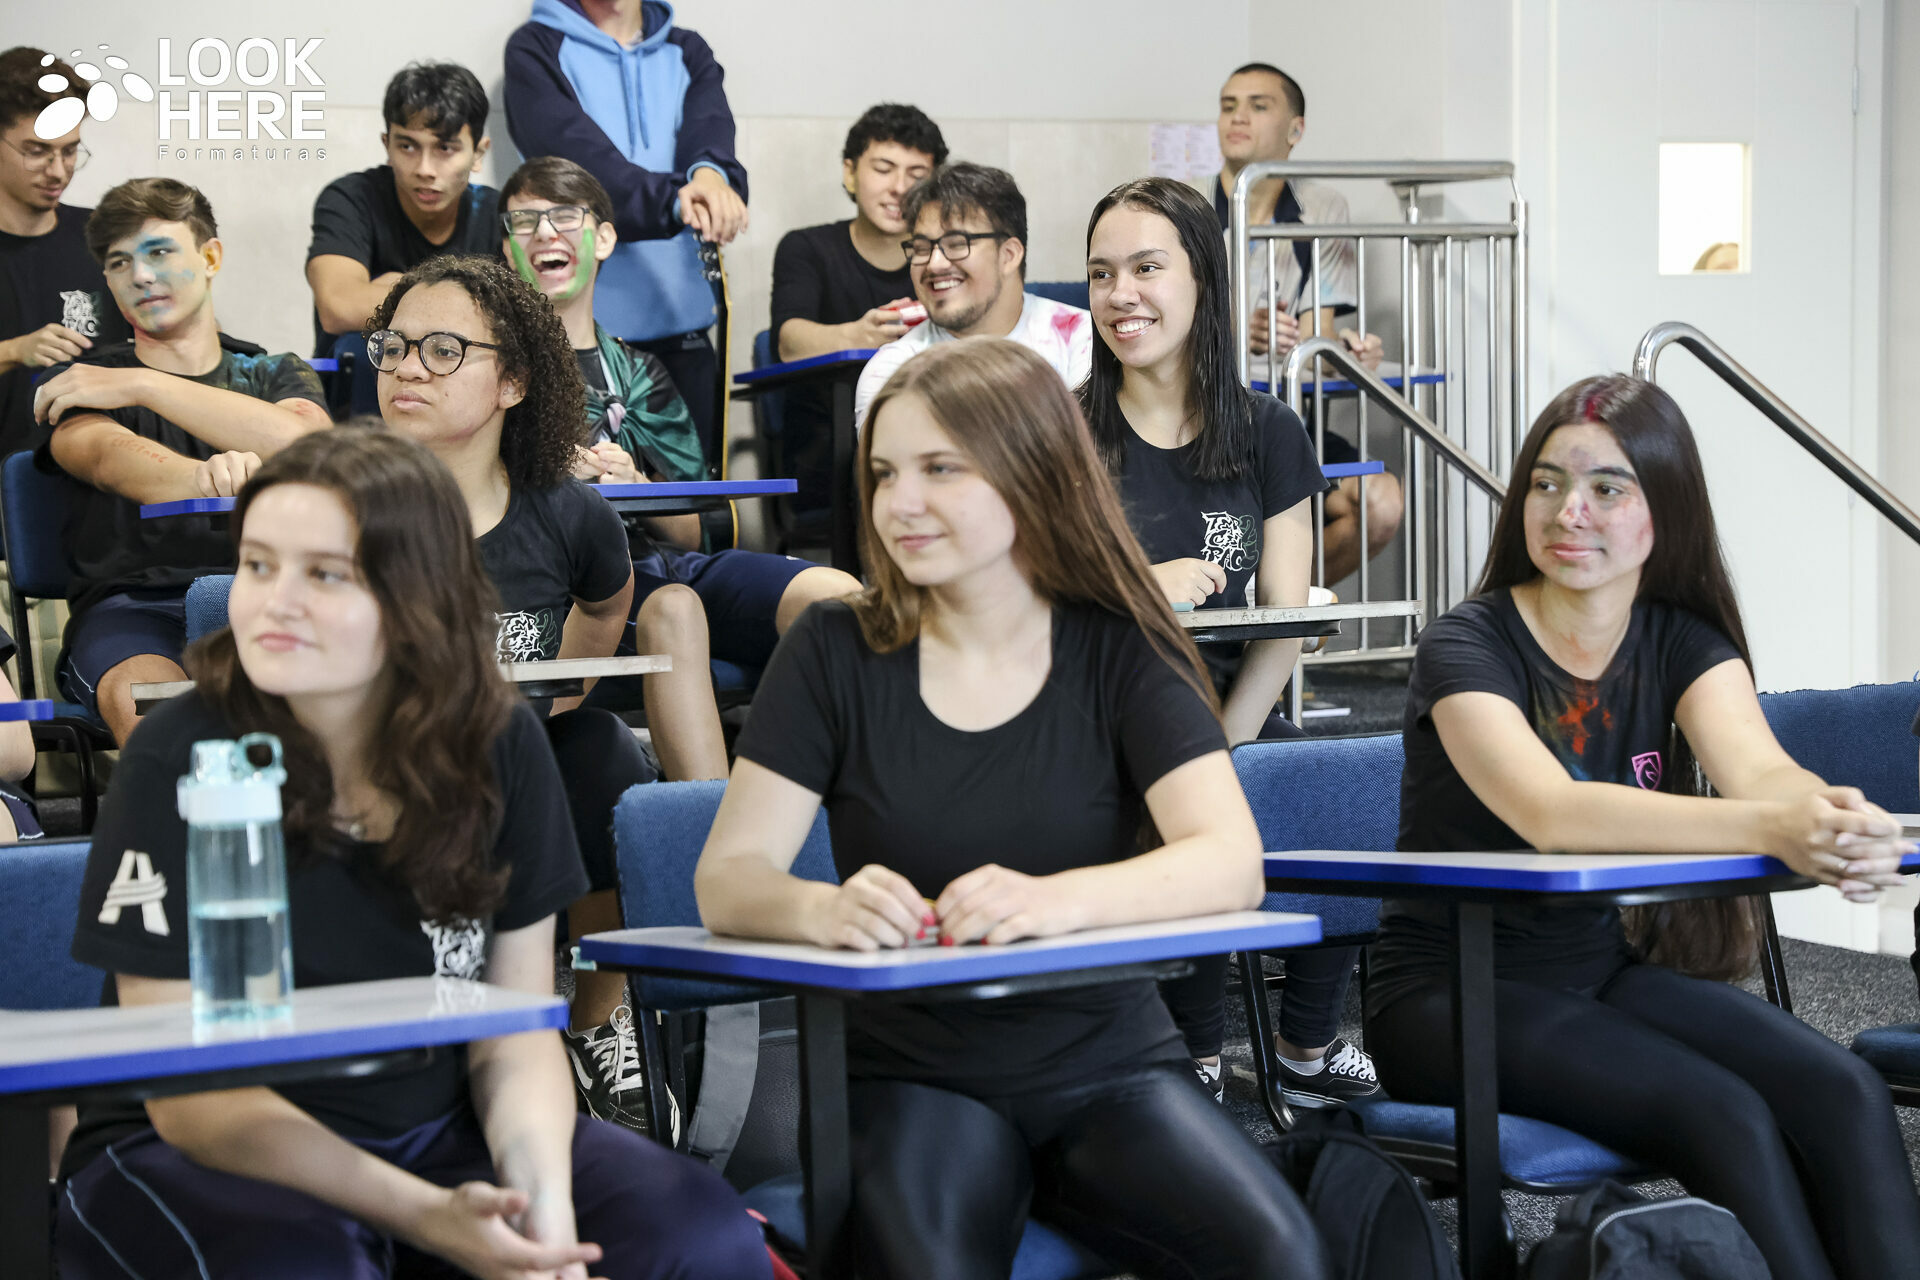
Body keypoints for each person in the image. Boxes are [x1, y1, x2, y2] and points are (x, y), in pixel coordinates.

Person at [56, 427, 771, 1280]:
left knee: (698, 1233)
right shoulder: (186, 754)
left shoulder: (500, 742)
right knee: (320, 1264)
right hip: (204, 1147)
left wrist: (544, 1223)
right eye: (257, 565)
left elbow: (514, 1035)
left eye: (325, 574)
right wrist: (427, 1217)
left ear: (416, 594)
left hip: (432, 1129)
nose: (275, 602)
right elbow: (196, 1099)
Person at [695, 337, 1332, 1280]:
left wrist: (1051, 901)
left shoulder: (1119, 640)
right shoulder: (834, 647)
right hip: (915, 1073)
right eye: (884, 474)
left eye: (940, 469)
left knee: (1286, 1257)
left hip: (1108, 1060)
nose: (900, 502)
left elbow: (1228, 860)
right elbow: (729, 878)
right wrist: (818, 909)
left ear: (1033, 473)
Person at [1365, 373, 1920, 1280]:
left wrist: (1827, 817)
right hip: (1445, 995)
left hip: (1596, 971)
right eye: (1547, 483)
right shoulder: (1466, 644)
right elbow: (1554, 813)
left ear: (1667, 511)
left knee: (1845, 1091)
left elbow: (1761, 771)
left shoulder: (1681, 640)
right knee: (1723, 1113)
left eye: (1607, 488)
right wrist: (1775, 828)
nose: (1568, 511)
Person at [1082, 176, 1376, 1108]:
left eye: (1146, 268)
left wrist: (1230, 738)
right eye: (1101, 273)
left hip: (1229, 708)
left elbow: (1286, 616)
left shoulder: (1269, 430)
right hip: (1098, 717)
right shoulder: (1061, 430)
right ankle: (1196, 1052)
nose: (1120, 294)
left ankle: (1304, 1045)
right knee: (1200, 806)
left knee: (1342, 798)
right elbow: (1031, 604)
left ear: (1202, 280)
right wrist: (1141, 585)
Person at [367, 253, 675, 1137]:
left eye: (442, 350)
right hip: (388, 784)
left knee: (605, 752)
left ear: (512, 382)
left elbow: (607, 602)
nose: (408, 368)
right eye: (394, 347)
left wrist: (561, 699)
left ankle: (596, 1019)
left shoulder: (566, 511)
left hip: (517, 773)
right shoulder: (347, 511)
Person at [500, 157, 858, 786]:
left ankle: (854, 808)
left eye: (564, 217)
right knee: (676, 609)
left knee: (837, 597)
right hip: (579, 587)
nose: (545, 233)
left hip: (667, 563)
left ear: (604, 239)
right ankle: (704, 831)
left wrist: (638, 486)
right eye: (524, 221)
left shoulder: (641, 373)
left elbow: (701, 529)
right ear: (507, 249)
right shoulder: (493, 372)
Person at [34, 178, 329, 745]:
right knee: (157, 714)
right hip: (133, 611)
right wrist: (200, 476)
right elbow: (105, 457)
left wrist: (145, 384)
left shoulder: (273, 371)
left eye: (159, 252)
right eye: (120, 262)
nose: (141, 276)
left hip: (267, 597)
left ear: (210, 257)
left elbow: (309, 447)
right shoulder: (81, 381)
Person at [504, 0, 749, 466]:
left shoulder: (687, 49)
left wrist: (711, 179)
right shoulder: (535, 46)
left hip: (685, 327)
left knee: (695, 497)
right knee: (585, 497)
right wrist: (679, 200)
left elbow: (710, 134)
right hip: (578, 344)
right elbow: (583, 169)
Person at [1215, 61, 1401, 584]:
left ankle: (1277, 611)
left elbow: (1314, 334)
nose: (1238, 117)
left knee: (1382, 503)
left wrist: (1345, 353)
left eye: (1258, 106)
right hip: (1204, 420)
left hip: (1285, 418)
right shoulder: (1181, 206)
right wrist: (1233, 333)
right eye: (1229, 106)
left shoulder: (1321, 208)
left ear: (1295, 130)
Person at [770, 103, 946, 530]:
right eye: (883, 169)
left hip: (940, 432)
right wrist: (859, 334)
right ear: (850, 172)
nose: (899, 188)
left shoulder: (946, 256)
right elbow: (789, 342)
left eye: (917, 174)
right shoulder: (806, 248)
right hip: (830, 451)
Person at [852, 163, 1091, 427]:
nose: (934, 264)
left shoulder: (1084, 339)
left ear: (1009, 255)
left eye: (957, 244)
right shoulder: (892, 372)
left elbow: (1086, 450)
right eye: (921, 248)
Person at [305, 63, 500, 363]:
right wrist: (473, 301)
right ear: (387, 146)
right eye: (408, 146)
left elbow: (527, 315)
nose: (424, 169)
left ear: (478, 153)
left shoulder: (497, 213)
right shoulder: (352, 198)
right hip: (355, 385)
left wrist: (400, 287)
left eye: (445, 148)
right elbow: (338, 308)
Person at [0, 47, 129, 458]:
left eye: (70, 151)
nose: (57, 171)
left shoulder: (105, 238)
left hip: (85, 478)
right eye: (37, 151)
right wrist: (14, 351)